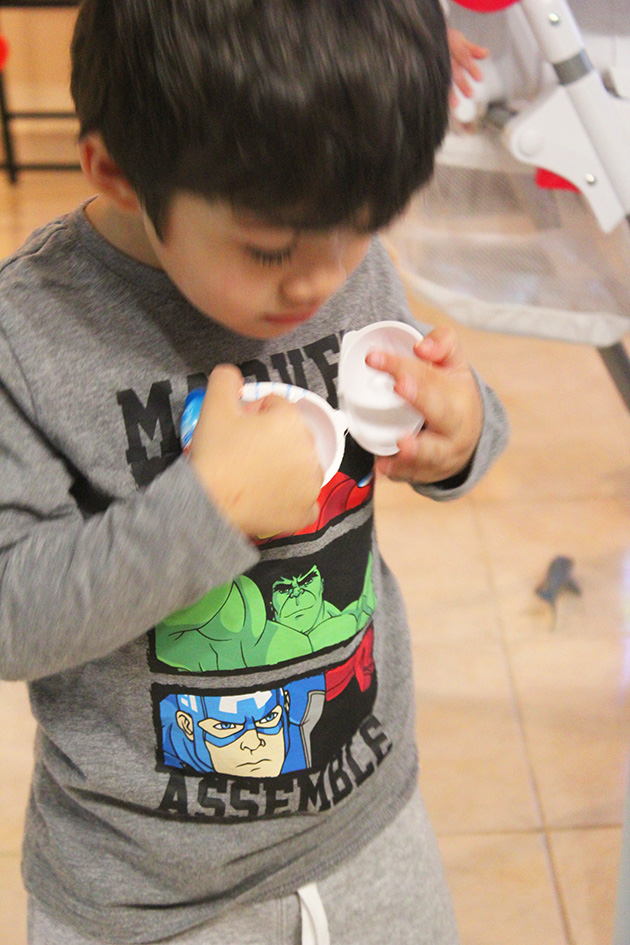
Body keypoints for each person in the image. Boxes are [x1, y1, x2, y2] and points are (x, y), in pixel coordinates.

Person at [0, 1, 509, 943]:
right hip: (143, 897)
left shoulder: (332, 245)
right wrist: (209, 512)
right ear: (116, 170)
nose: (322, 281)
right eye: (271, 249)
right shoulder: (29, 339)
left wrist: (463, 431)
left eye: (363, 229)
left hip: (369, 829)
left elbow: (431, 408)